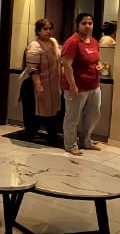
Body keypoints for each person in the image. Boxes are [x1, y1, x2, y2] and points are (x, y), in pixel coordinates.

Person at [60, 13, 104, 155]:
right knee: (72, 117)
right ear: (77, 25)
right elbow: (67, 65)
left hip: (94, 86)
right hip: (77, 87)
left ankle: (86, 141)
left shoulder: (94, 42)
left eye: (90, 23)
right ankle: (70, 145)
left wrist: (99, 66)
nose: (87, 26)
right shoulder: (72, 42)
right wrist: (72, 86)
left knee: (93, 115)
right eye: (84, 23)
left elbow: (96, 60)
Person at [20, 18, 62, 142]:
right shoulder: (35, 46)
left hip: (52, 84)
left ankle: (52, 133)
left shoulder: (53, 42)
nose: (48, 31)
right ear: (38, 31)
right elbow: (32, 69)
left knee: (52, 109)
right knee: (34, 110)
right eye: (45, 29)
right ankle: (30, 133)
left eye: (50, 29)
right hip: (34, 83)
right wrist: (38, 85)